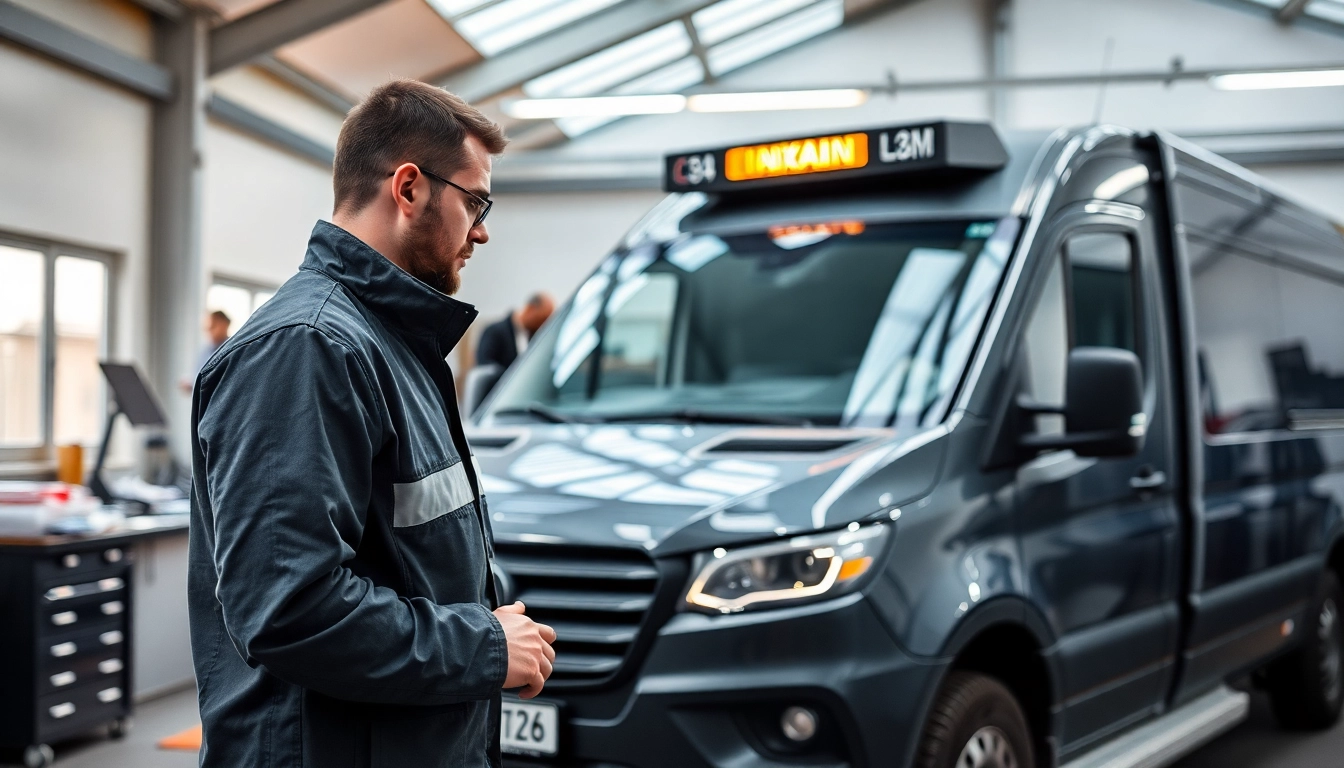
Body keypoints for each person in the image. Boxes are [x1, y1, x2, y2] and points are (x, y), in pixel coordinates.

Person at [188, 79, 555, 768]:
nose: (482, 228)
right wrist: (484, 645)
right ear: (410, 187)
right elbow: (290, 606)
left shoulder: (392, 345)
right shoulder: (308, 349)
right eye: (475, 201)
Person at [476, 292, 554, 371]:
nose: (541, 326)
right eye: (540, 320)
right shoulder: (494, 332)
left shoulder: (534, 338)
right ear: (530, 309)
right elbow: (485, 367)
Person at [178, 310, 230, 393]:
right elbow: (197, 376)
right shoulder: (204, 351)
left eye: (213, 326)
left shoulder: (232, 350)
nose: (209, 331)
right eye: (207, 328)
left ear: (225, 325)